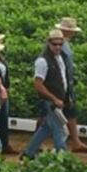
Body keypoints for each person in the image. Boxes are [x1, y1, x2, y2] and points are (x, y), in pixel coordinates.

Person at [23, 29, 72, 158]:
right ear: (48, 43)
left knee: (46, 128)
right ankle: (61, 158)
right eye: (54, 44)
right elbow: (38, 84)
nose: (57, 47)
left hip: (58, 100)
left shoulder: (61, 57)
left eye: (60, 44)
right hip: (50, 102)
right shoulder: (42, 62)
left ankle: (29, 153)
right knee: (59, 130)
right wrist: (54, 99)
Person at [54, 17, 87, 151]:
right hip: (61, 84)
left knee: (71, 111)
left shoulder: (65, 43)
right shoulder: (58, 44)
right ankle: (37, 144)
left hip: (67, 83)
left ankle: (76, 141)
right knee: (50, 115)